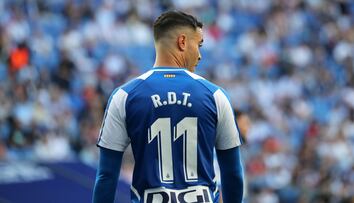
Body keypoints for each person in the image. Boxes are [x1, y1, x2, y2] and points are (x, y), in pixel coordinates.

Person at [93, 10, 244, 203]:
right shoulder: (215, 96)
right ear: (182, 42)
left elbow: (106, 176)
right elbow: (233, 173)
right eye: (198, 45)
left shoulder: (124, 96)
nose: (199, 55)